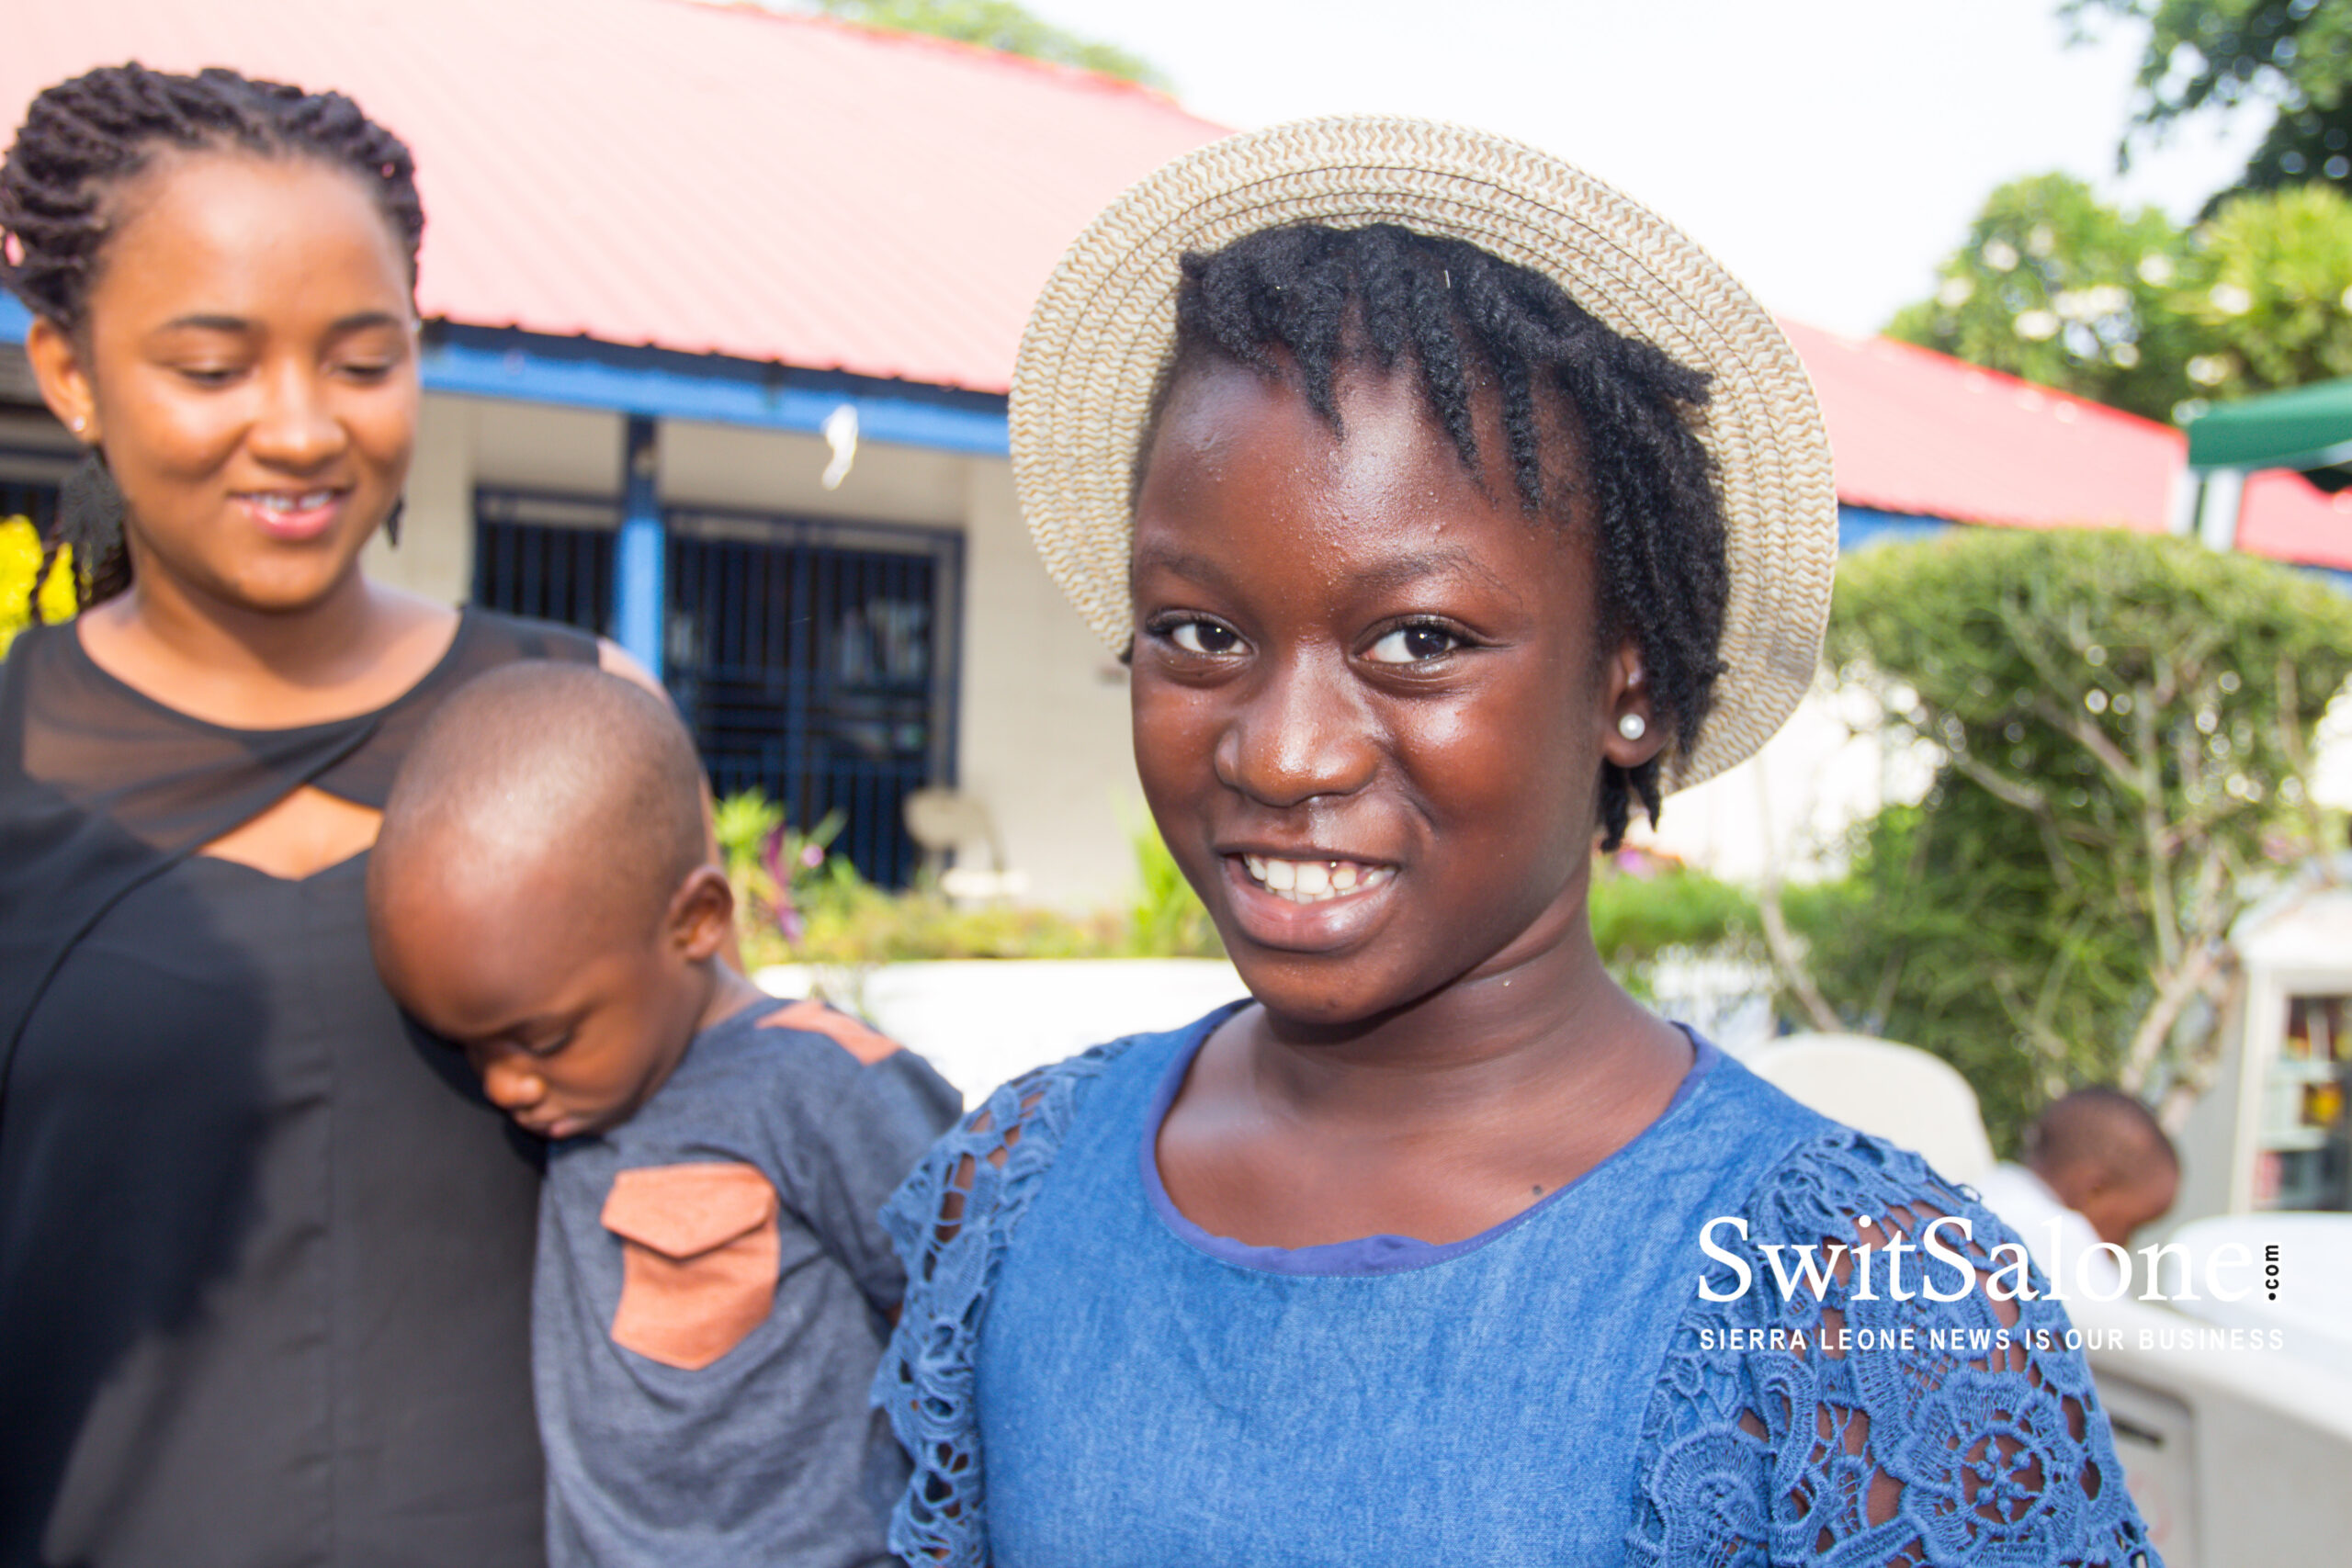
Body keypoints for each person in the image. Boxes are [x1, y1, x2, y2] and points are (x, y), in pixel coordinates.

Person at [873, 118, 2161, 1566]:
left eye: (1421, 639)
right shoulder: (1019, 1184)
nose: (1283, 751)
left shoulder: (1859, 1309)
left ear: (1628, 686)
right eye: (1200, 631)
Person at [0, 64, 651, 1562]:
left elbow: (730, 1139)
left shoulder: (584, 722)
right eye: (212, 367)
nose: (299, 430)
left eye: (363, 361)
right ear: (71, 373)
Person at [368, 662, 960, 1568]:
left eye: (543, 1038)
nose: (505, 1086)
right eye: (470, 1049)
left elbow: (966, 1323)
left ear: (696, 920)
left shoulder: (825, 1087)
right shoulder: (585, 1090)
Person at [1976, 1088, 2180, 1301]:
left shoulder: (1984, 1187)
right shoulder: (2068, 1243)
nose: (2126, 1244)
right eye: (2131, 1227)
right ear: (2094, 1191)